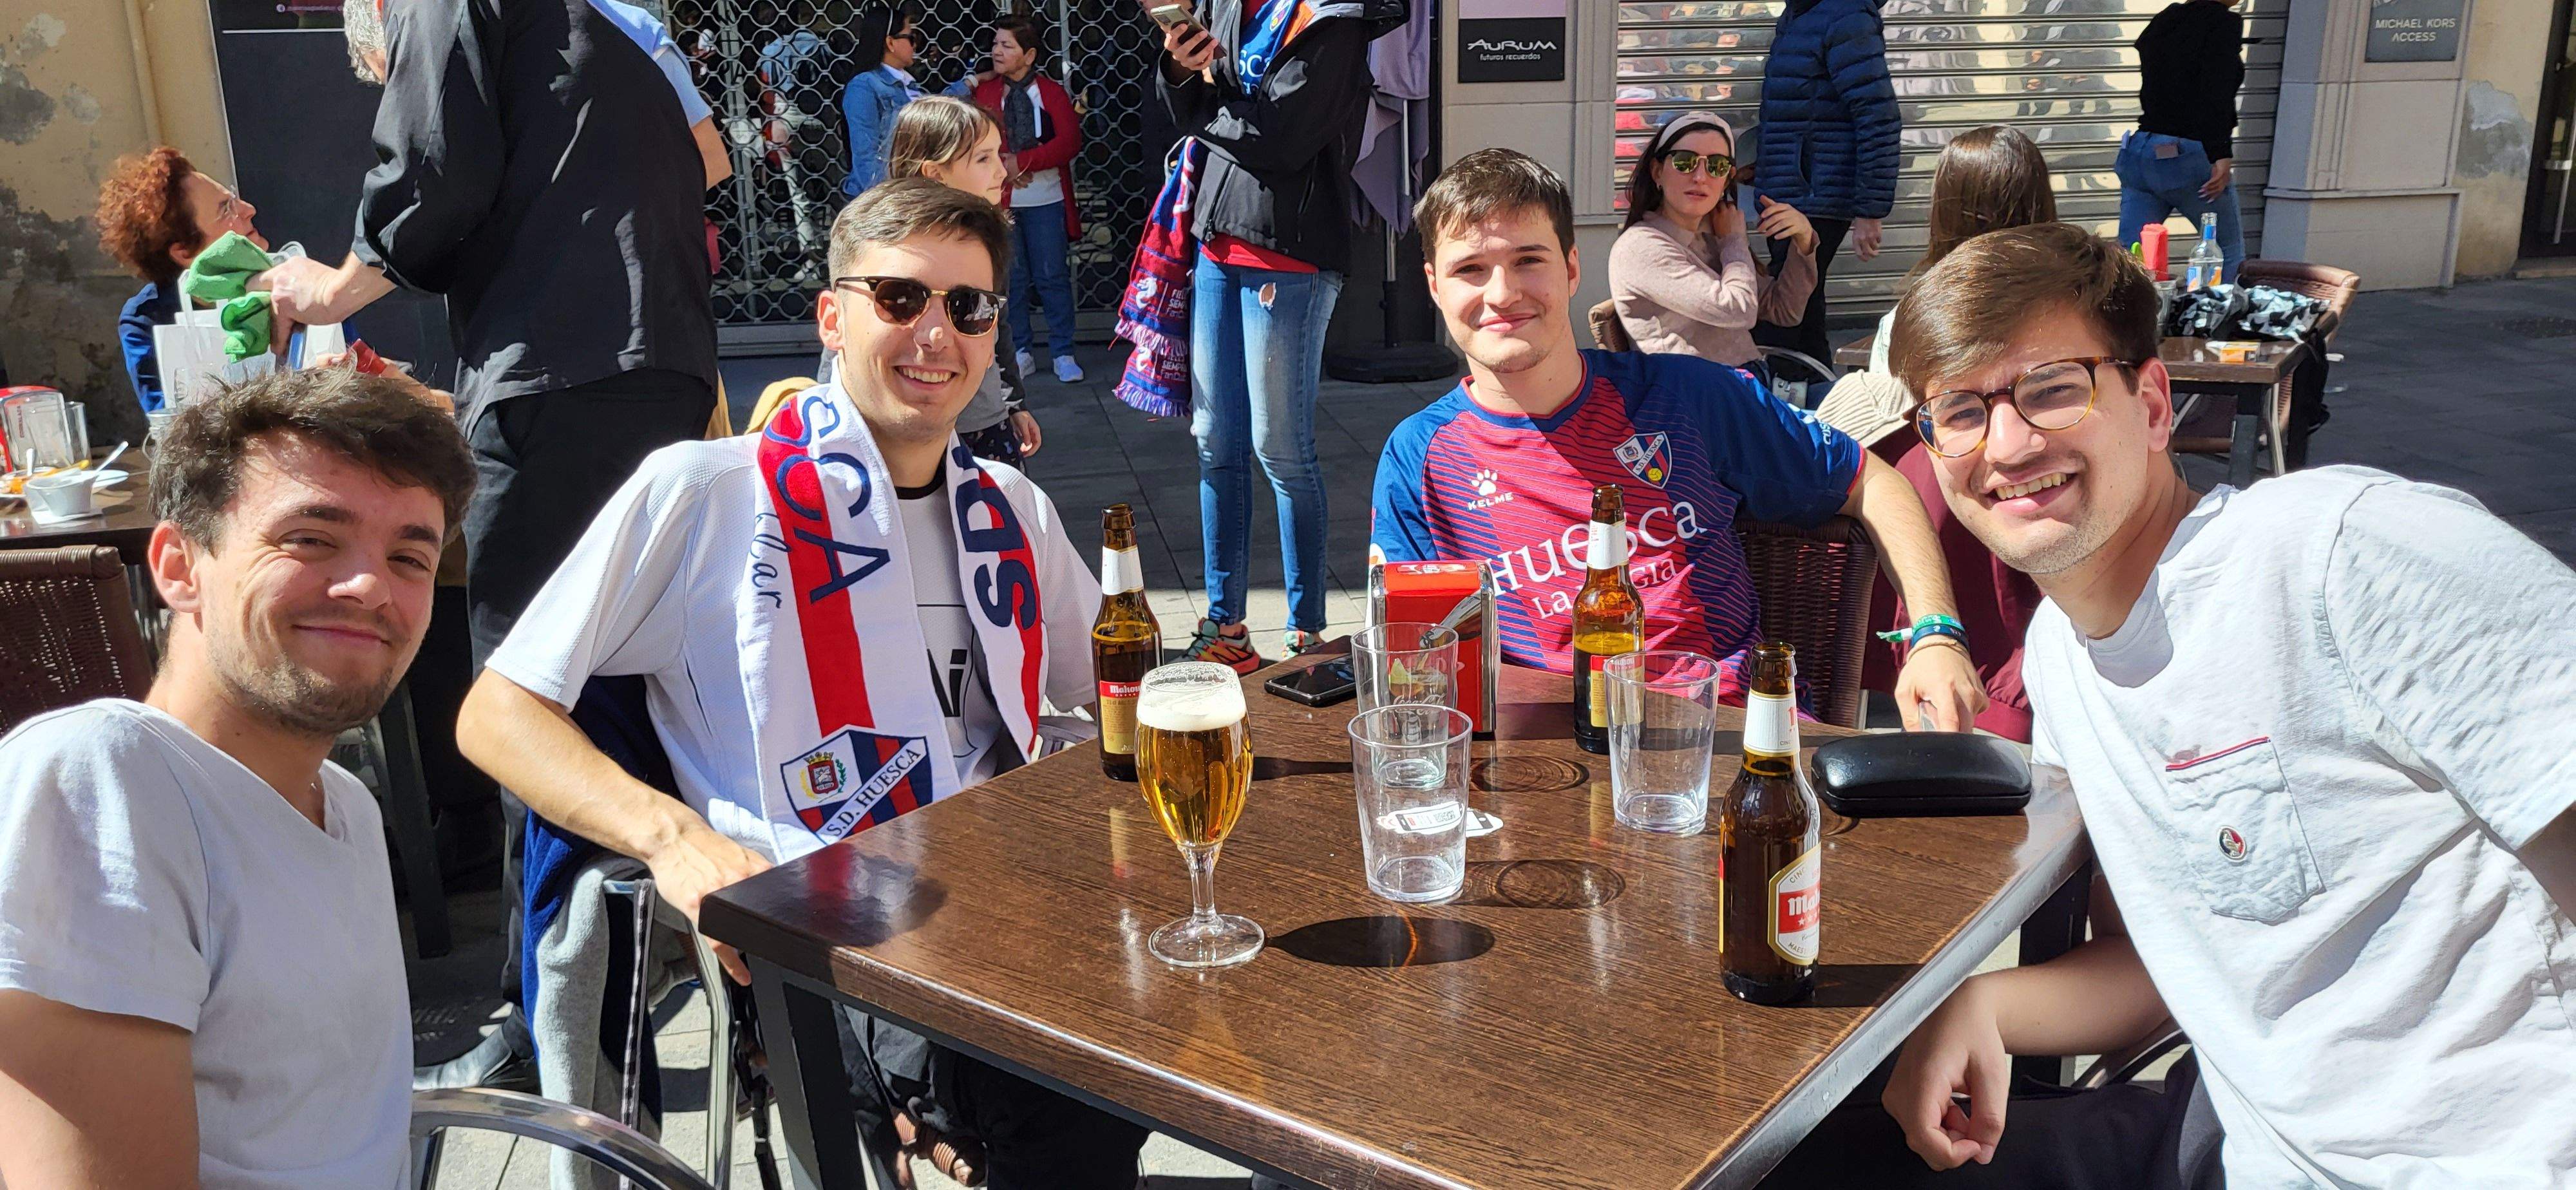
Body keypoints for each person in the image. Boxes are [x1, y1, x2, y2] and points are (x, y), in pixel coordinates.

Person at [1767, 222, 2576, 1187]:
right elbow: (2160, 964)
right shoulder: (2063, 659)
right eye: (1962, 411)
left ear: (2151, 404)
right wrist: (1981, 1005)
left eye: (2053, 389)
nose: (2008, 445)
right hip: (2239, 1137)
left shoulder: (2340, 555)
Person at [454, 180, 1145, 1189]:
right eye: (900, 298)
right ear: (830, 317)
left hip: (1021, 899)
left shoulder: (1009, 505)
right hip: (838, 932)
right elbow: (497, 714)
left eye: (968, 307)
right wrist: (673, 839)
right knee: (1069, 1105)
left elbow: (1113, 694)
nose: (936, 334)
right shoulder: (706, 493)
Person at [286, 0, 725, 1091]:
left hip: (557, 379)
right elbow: (701, 160)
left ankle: (550, 1031)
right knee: (627, 693)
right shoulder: (603, 29)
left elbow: (429, 174)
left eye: (383, 67)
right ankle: (612, 1006)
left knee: (528, 707)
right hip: (654, 367)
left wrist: (328, 289)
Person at [0, 369, 475, 1186]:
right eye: (311, 539)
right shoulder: (102, 784)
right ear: (179, 566)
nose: (371, 587)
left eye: (409, 557)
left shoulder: (347, 807)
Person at [1372, 148, 1985, 727]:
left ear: (1571, 268)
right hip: (1545, 751)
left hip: (1729, 733)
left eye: (1528, 260)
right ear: (1434, 286)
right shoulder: (1418, 457)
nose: (1503, 293)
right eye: (1470, 269)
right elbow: (1411, 654)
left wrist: (1937, 635)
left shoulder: (1686, 396)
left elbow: (1873, 482)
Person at [1128, 0, 1408, 674]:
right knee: (1213, 442)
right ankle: (1226, 625)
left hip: (1291, 253)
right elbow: (1188, 105)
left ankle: (1307, 631)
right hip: (1216, 242)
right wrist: (1178, 68)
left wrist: (1203, 111)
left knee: (1280, 449)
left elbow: (1283, 142)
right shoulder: (1229, 4)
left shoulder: (1334, 17)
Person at [1828, 124, 2057, 739]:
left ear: (1945, 206)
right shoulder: (2063, 304)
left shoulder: (1915, 311)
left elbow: (1893, 416)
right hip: (2024, 515)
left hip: (1932, 521)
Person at [885, 96, 1044, 468]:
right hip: (911, 433)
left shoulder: (987, 241)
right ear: (935, 173)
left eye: (998, 155)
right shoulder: (887, 250)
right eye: (983, 159)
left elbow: (997, 327)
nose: (1002, 171)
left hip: (984, 422)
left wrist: (1013, 404)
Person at [1608, 112, 1817, 375]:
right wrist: (1734, 241)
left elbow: (1784, 310)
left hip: (1747, 385)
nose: (1700, 177)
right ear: (1657, 172)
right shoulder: (1643, 246)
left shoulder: (1712, 235)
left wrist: (1804, 240)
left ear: (1727, 180)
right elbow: (1739, 311)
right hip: (1698, 394)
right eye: (1685, 162)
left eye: (1716, 166)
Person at [1750, 0, 1899, 368]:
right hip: (1793, 189)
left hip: (1816, 195)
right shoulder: (1800, 13)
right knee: (1805, 308)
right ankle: (1816, 391)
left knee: (1786, 312)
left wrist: (1870, 211)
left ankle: (1776, 392)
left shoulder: (1845, 15)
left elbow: (1878, 116)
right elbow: (1801, 113)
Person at [949, 13, 1086, 384]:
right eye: (995, 44)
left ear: (1029, 55)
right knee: (1012, 278)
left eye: (1007, 45)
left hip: (1046, 200)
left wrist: (1023, 162)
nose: (997, 51)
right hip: (1001, 203)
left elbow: (1069, 142)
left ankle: (1063, 351)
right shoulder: (985, 93)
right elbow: (971, 138)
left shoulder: (1051, 93)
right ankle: (1020, 350)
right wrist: (1003, 167)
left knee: (1052, 275)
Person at [93, 147, 269, 414]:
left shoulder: (291, 277)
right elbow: (169, 421)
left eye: (233, 198)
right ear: (185, 252)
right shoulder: (147, 319)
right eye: (226, 209)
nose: (249, 210)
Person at [2117, 0, 2246, 282]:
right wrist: (2221, 152)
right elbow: (2217, 90)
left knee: (2131, 255)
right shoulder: (2222, 22)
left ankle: (2122, 308)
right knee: (2226, 252)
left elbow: (2144, 46)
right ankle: (2216, 310)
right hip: (2186, 155)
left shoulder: (2169, 18)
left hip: (2141, 151)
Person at [842, 1, 927, 196]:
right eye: (911, 38)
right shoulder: (864, 86)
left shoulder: (907, 84)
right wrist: (887, 202)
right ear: (890, 43)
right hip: (887, 198)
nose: (915, 45)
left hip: (910, 192)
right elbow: (866, 156)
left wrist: (972, 82)